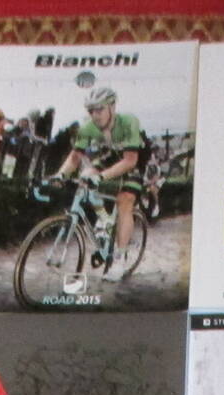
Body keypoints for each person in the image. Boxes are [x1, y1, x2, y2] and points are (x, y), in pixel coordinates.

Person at [54, 86, 145, 284]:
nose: (95, 115)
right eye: (91, 110)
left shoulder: (129, 122)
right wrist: (60, 175)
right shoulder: (88, 128)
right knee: (85, 176)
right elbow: (75, 157)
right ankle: (104, 219)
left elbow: (130, 161)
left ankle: (120, 257)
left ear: (112, 107)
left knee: (125, 199)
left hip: (133, 161)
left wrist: (102, 177)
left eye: (99, 109)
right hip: (110, 159)